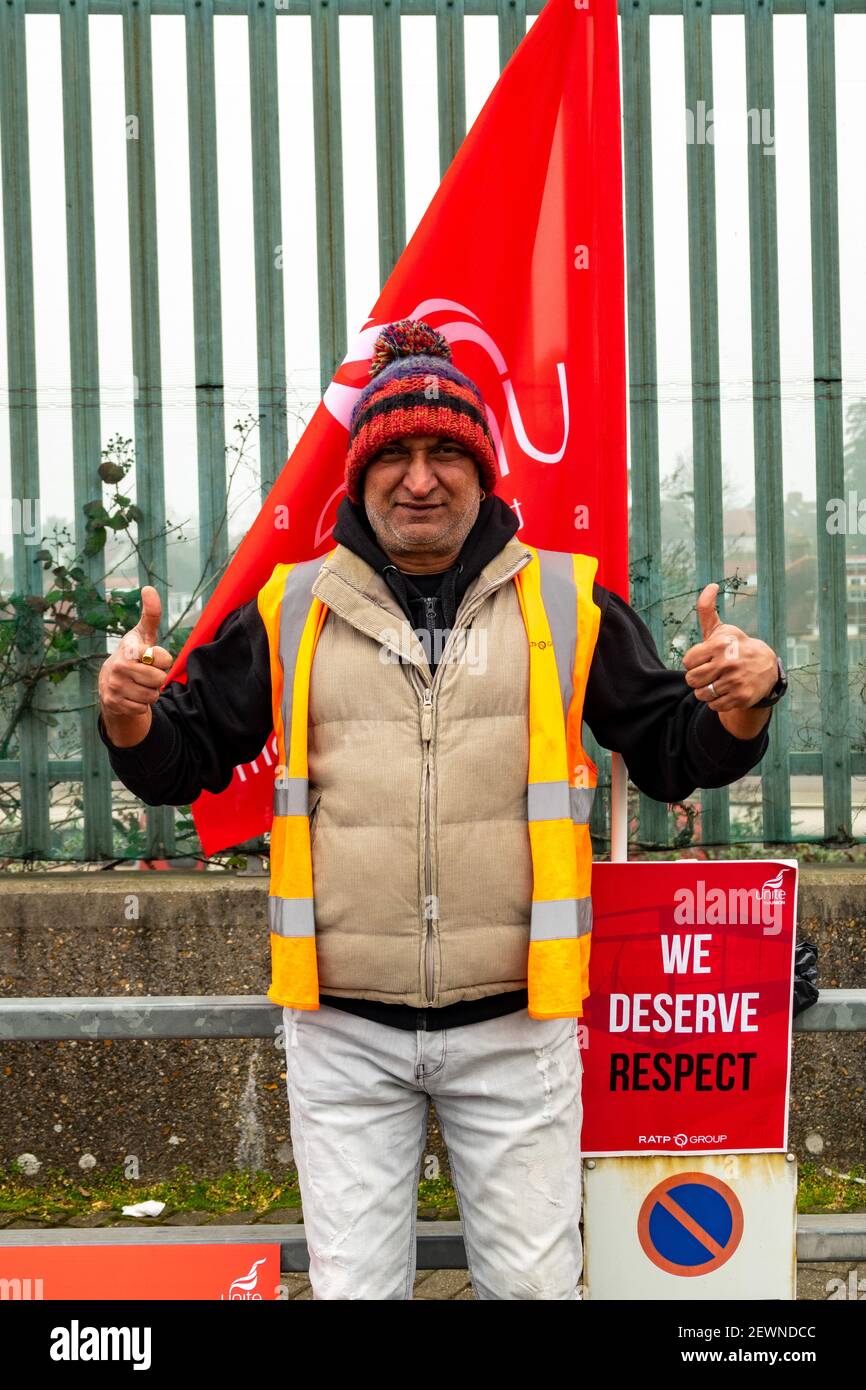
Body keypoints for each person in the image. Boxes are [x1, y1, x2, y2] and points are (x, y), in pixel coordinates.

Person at [96, 318, 787, 1300]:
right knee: (354, 1293)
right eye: (397, 454)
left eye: (446, 452)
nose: (419, 478)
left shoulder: (566, 600)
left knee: (535, 1291)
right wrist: (128, 718)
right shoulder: (291, 608)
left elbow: (674, 750)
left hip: (516, 1029)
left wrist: (744, 697)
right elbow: (185, 757)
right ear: (359, 473)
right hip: (342, 1031)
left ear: (484, 469)